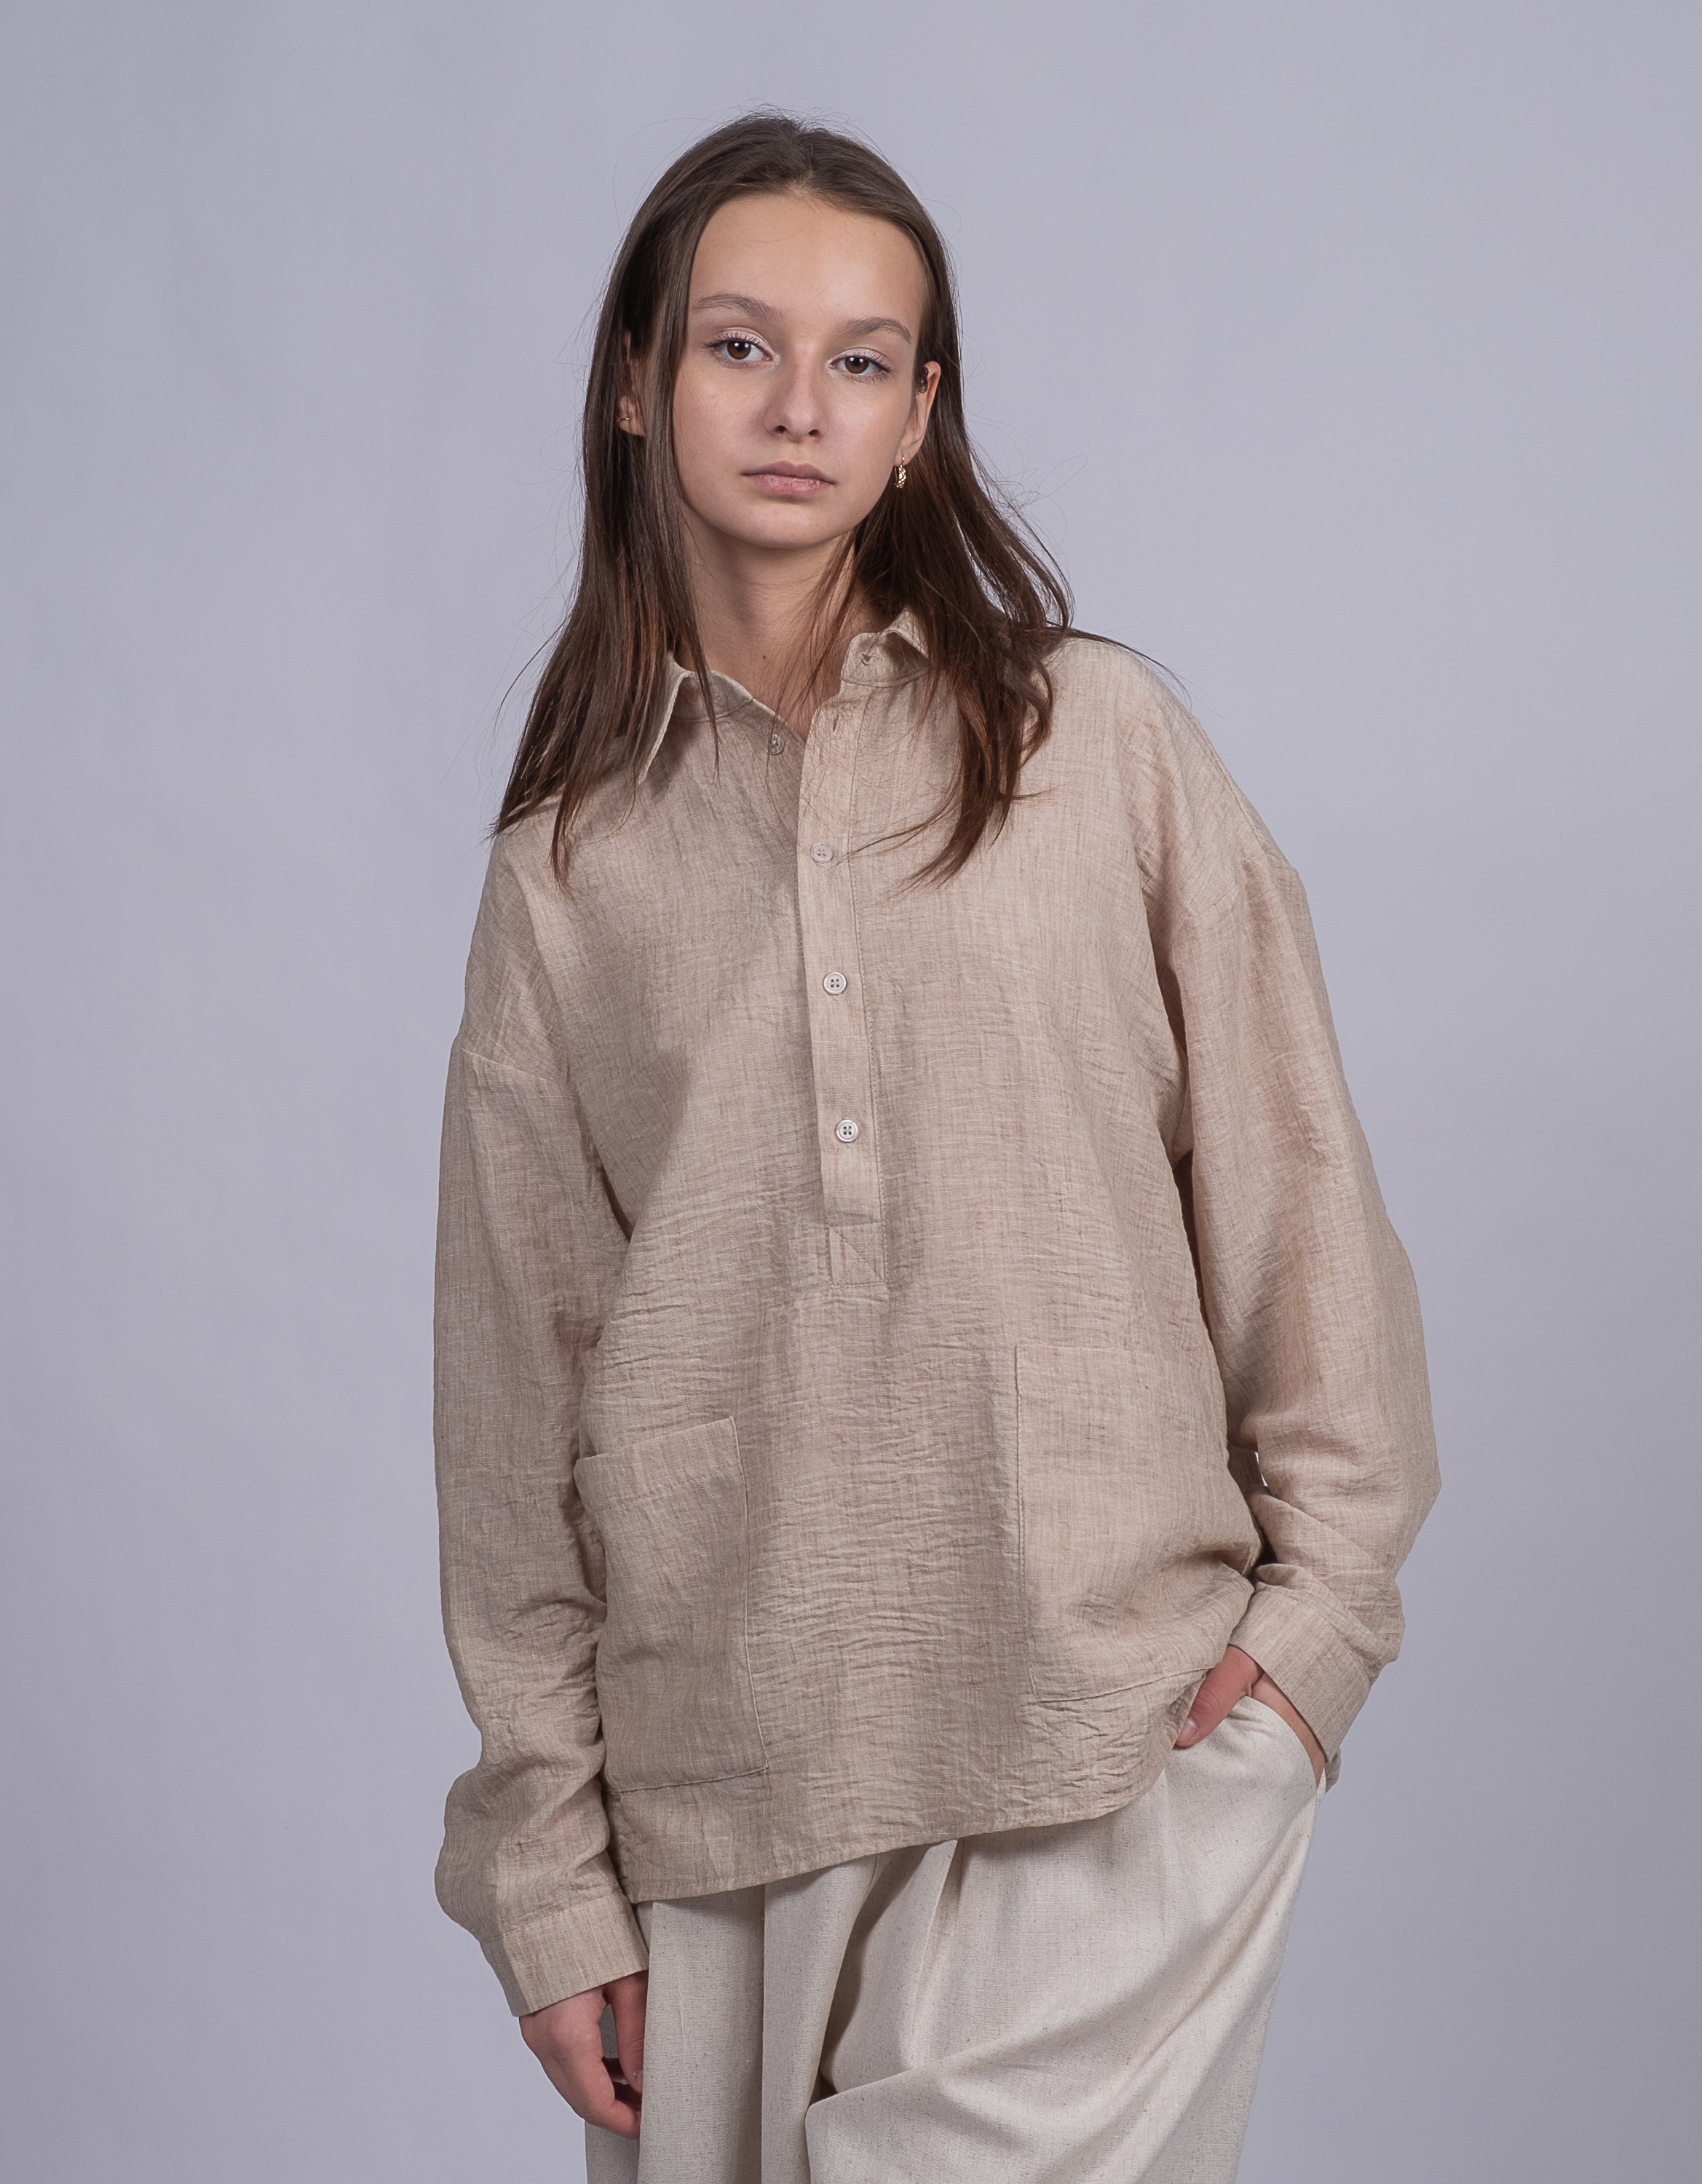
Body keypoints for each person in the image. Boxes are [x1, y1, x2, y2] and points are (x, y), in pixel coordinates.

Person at [432, 112, 1438, 2184]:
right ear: (636, 382)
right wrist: (547, 1870)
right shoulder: (565, 872)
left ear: (920, 416)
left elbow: (1302, 1205)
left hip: (1111, 1741)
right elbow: (515, 1398)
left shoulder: (1099, 747)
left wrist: (1310, 1644)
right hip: (721, 1791)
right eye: (741, 345)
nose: (801, 406)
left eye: (863, 358)